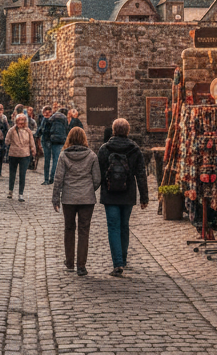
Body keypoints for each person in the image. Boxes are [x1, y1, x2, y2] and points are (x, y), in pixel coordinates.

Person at [97, 117, 149, 276]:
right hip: (128, 192)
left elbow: (98, 173)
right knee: (124, 226)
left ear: (113, 131)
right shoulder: (134, 149)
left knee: (113, 227)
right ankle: (123, 259)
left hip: (110, 192)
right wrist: (144, 197)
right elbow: (141, 174)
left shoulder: (105, 149)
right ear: (128, 131)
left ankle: (118, 263)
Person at [51, 126, 101, 276]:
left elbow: (58, 178)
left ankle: (70, 262)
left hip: (69, 197)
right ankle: (81, 265)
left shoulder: (63, 156)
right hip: (87, 198)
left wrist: (56, 198)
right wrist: (89, 189)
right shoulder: (91, 155)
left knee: (69, 229)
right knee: (84, 231)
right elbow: (97, 179)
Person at [5, 112, 36, 201]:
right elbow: (7, 141)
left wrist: (33, 150)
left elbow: (32, 142)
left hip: (25, 154)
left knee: (23, 174)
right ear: (16, 121)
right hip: (13, 154)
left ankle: (20, 193)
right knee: (12, 174)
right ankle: (10, 191)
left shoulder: (28, 131)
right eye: (19, 121)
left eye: (23, 121)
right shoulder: (12, 130)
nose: (21, 123)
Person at [48, 105, 69, 181]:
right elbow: (67, 129)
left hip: (53, 139)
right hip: (61, 139)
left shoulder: (53, 117)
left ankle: (52, 176)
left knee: (54, 159)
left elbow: (48, 127)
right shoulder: (64, 118)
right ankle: (55, 177)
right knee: (58, 159)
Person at [39, 106, 54, 184]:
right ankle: (47, 178)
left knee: (48, 160)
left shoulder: (49, 120)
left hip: (48, 140)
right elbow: (40, 129)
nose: (47, 114)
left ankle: (48, 178)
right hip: (46, 141)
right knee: (48, 160)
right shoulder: (43, 119)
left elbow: (43, 130)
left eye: (49, 112)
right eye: (45, 112)